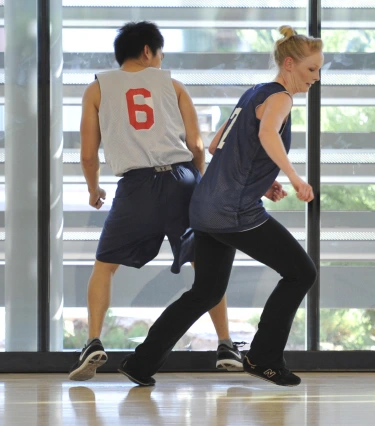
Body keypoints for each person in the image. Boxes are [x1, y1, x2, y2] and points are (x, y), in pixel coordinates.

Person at [118, 25, 323, 387]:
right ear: (289, 64)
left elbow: (217, 146)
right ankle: (264, 358)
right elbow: (265, 135)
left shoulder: (253, 93)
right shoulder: (281, 98)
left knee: (207, 291)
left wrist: (264, 182)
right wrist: (293, 177)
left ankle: (141, 362)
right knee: (301, 273)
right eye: (311, 70)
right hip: (233, 212)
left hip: (206, 207)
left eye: (319, 70)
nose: (315, 78)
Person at [69, 21, 243, 381]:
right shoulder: (173, 85)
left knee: (105, 266)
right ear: (148, 51)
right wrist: (199, 184)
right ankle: (226, 344)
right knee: (205, 266)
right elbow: (196, 145)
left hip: (136, 186)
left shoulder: (97, 89)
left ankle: (93, 341)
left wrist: (93, 188)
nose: (161, 60)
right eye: (160, 53)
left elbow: (88, 153)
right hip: (182, 179)